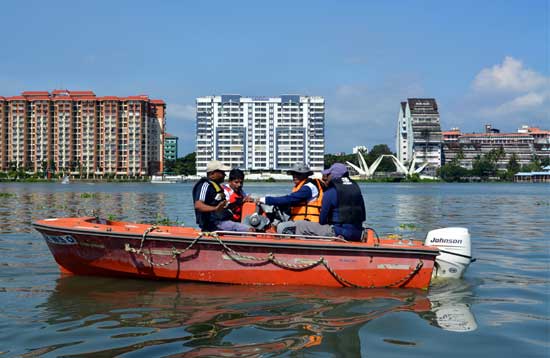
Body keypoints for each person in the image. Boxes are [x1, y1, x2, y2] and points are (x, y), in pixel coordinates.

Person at [295, 163, 366, 241]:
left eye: (328, 174)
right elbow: (363, 215)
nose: (326, 177)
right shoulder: (356, 190)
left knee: (301, 225)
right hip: (357, 233)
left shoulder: (330, 192)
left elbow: (322, 220)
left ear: (333, 175)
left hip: (338, 233)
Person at [257, 163, 325, 233]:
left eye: (298, 174)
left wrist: (266, 199)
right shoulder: (302, 186)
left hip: (309, 223)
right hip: (301, 222)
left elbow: (290, 199)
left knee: (281, 227)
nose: (295, 176)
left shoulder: (309, 188)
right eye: (293, 174)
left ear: (306, 175)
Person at [192, 160, 230, 232]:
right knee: (248, 229)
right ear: (212, 174)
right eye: (222, 172)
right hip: (212, 224)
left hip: (221, 221)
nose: (224, 175)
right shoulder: (205, 185)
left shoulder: (216, 186)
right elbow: (198, 205)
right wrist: (216, 208)